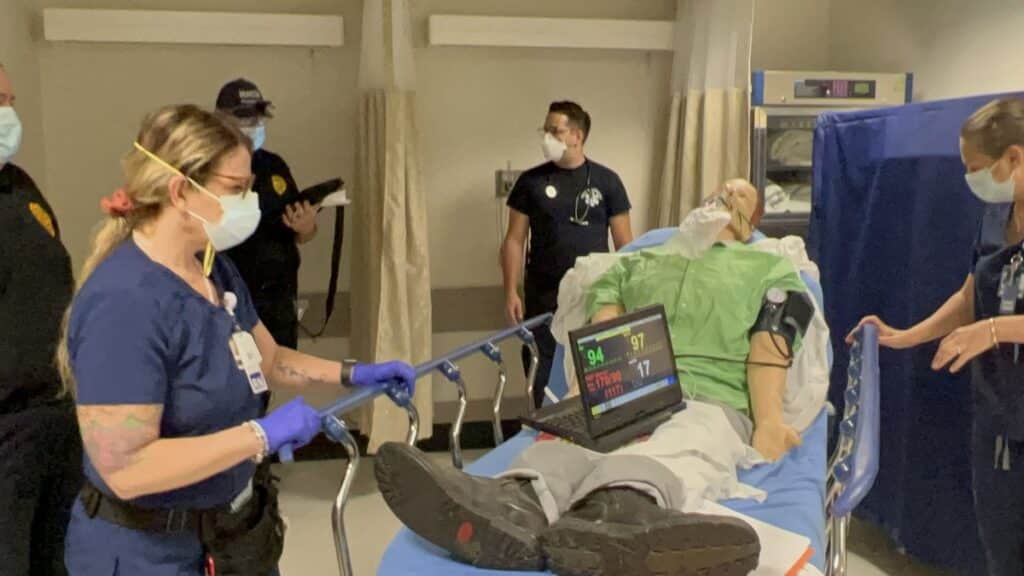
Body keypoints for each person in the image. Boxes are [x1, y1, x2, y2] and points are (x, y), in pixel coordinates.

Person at [376, 180, 820, 576]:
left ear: (751, 222)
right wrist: (584, 397)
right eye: (718, 191)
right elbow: (605, 328)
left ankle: (619, 512)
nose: (724, 194)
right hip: (626, 388)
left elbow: (770, 346)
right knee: (572, 442)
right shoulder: (641, 261)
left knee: (684, 439)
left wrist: (767, 422)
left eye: (739, 194)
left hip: (710, 398)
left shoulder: (771, 269)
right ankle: (514, 505)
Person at [57, 104, 416, 575]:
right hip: (149, 552)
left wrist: (354, 373)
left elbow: (268, 359)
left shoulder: (211, 268)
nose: (251, 203)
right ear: (181, 190)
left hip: (232, 536)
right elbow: (126, 470)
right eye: (237, 190)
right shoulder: (124, 302)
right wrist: (258, 435)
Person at [849, 96, 1024, 576]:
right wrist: (902, 336)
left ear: (1015, 157)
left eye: (978, 168)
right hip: (1000, 422)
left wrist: (993, 330)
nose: (972, 181)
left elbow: (986, 320)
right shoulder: (996, 218)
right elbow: (971, 296)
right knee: (1003, 550)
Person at [0, 62, 83, 576]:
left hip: (55, 413)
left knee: (58, 559)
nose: (7, 114)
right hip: (6, 421)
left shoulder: (21, 186)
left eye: (9, 100)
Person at [502, 101, 634, 408]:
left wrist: (628, 295)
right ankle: (544, 438)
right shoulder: (531, 183)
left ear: (577, 135)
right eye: (545, 129)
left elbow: (626, 245)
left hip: (594, 298)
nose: (546, 136)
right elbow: (513, 241)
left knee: (594, 376)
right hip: (544, 298)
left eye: (554, 130)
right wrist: (510, 290)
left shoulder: (607, 182)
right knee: (543, 376)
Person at [215, 78, 319, 350]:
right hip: (231, 298)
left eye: (258, 117)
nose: (254, 125)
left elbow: (301, 234)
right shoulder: (208, 169)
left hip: (279, 300)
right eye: (245, 118)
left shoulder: (273, 166)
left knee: (279, 374)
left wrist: (306, 227)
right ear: (220, 121)